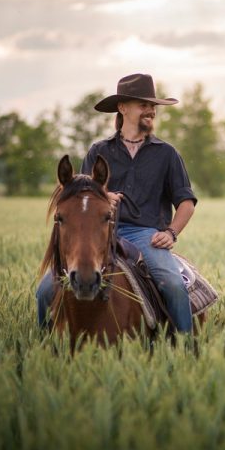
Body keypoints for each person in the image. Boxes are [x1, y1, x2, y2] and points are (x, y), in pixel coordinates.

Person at [37, 73, 197, 333]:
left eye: (153, 107)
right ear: (123, 108)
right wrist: (103, 197)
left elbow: (186, 202)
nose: (151, 111)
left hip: (147, 234)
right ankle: (43, 347)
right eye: (144, 105)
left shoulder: (167, 153)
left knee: (173, 284)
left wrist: (171, 232)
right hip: (99, 232)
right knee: (45, 291)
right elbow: (82, 198)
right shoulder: (98, 150)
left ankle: (187, 347)